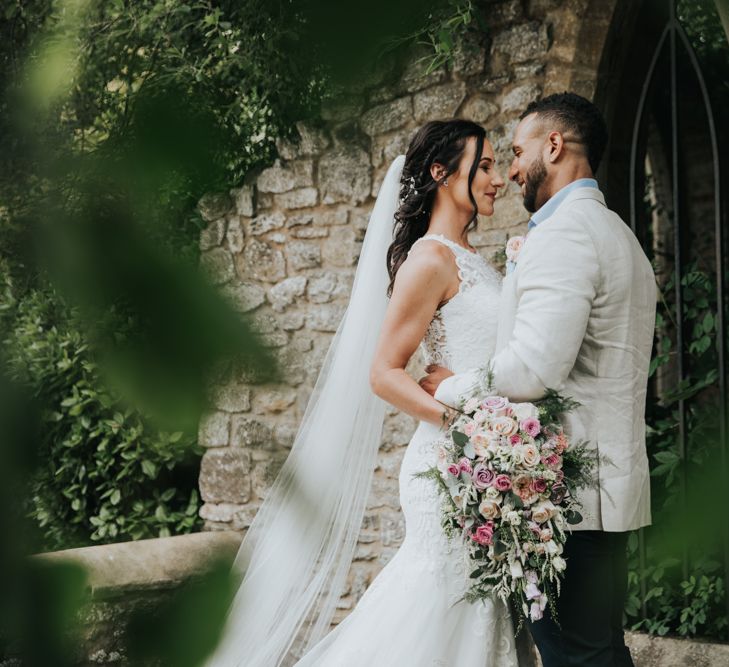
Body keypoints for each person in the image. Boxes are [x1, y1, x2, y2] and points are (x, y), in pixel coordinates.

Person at [203, 119, 518, 667]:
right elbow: (384, 372)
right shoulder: (431, 259)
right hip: (449, 461)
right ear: (441, 174)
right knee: (437, 607)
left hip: (481, 459)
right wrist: (464, 425)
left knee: (472, 612)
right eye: (485, 166)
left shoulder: (474, 260)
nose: (499, 180)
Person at [421, 92, 656, 667]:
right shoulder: (621, 235)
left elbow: (533, 368)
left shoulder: (566, 234)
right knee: (599, 651)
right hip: (609, 495)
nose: (513, 169)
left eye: (519, 151)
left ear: (554, 145)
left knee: (578, 656)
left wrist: (449, 385)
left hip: (566, 501)